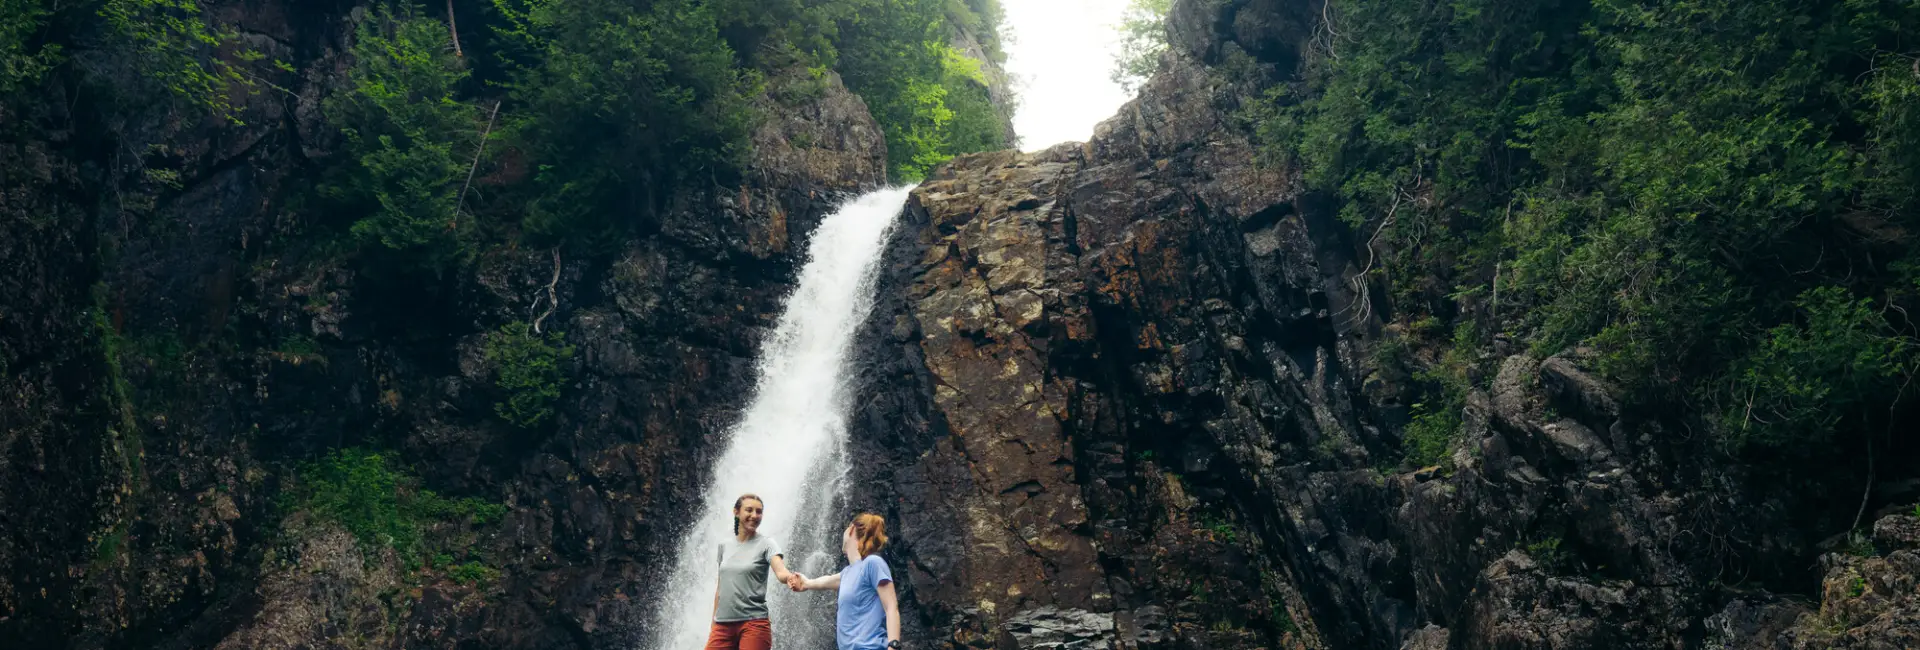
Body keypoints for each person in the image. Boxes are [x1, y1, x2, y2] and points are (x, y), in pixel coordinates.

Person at [788, 513, 903, 650]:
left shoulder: (873, 563)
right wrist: (806, 583)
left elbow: (891, 607)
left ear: (852, 530)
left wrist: (893, 646)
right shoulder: (848, 572)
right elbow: (827, 581)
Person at [707, 493, 803, 650]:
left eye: (759, 512)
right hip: (722, 625)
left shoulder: (767, 544)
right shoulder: (724, 545)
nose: (754, 515)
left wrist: (790, 578)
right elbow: (720, 588)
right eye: (749, 510)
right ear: (736, 512)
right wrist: (713, 623)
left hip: (753, 624)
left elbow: (781, 571)